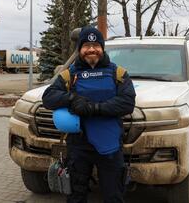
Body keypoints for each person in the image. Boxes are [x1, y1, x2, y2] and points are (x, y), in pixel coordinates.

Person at [42, 27, 136, 203]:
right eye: (86, 45)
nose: (91, 49)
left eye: (96, 45)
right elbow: (48, 97)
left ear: (102, 48)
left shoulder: (118, 73)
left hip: (110, 144)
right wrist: (72, 98)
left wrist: (94, 108)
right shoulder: (69, 74)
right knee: (76, 196)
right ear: (80, 49)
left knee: (114, 196)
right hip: (79, 145)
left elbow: (127, 103)